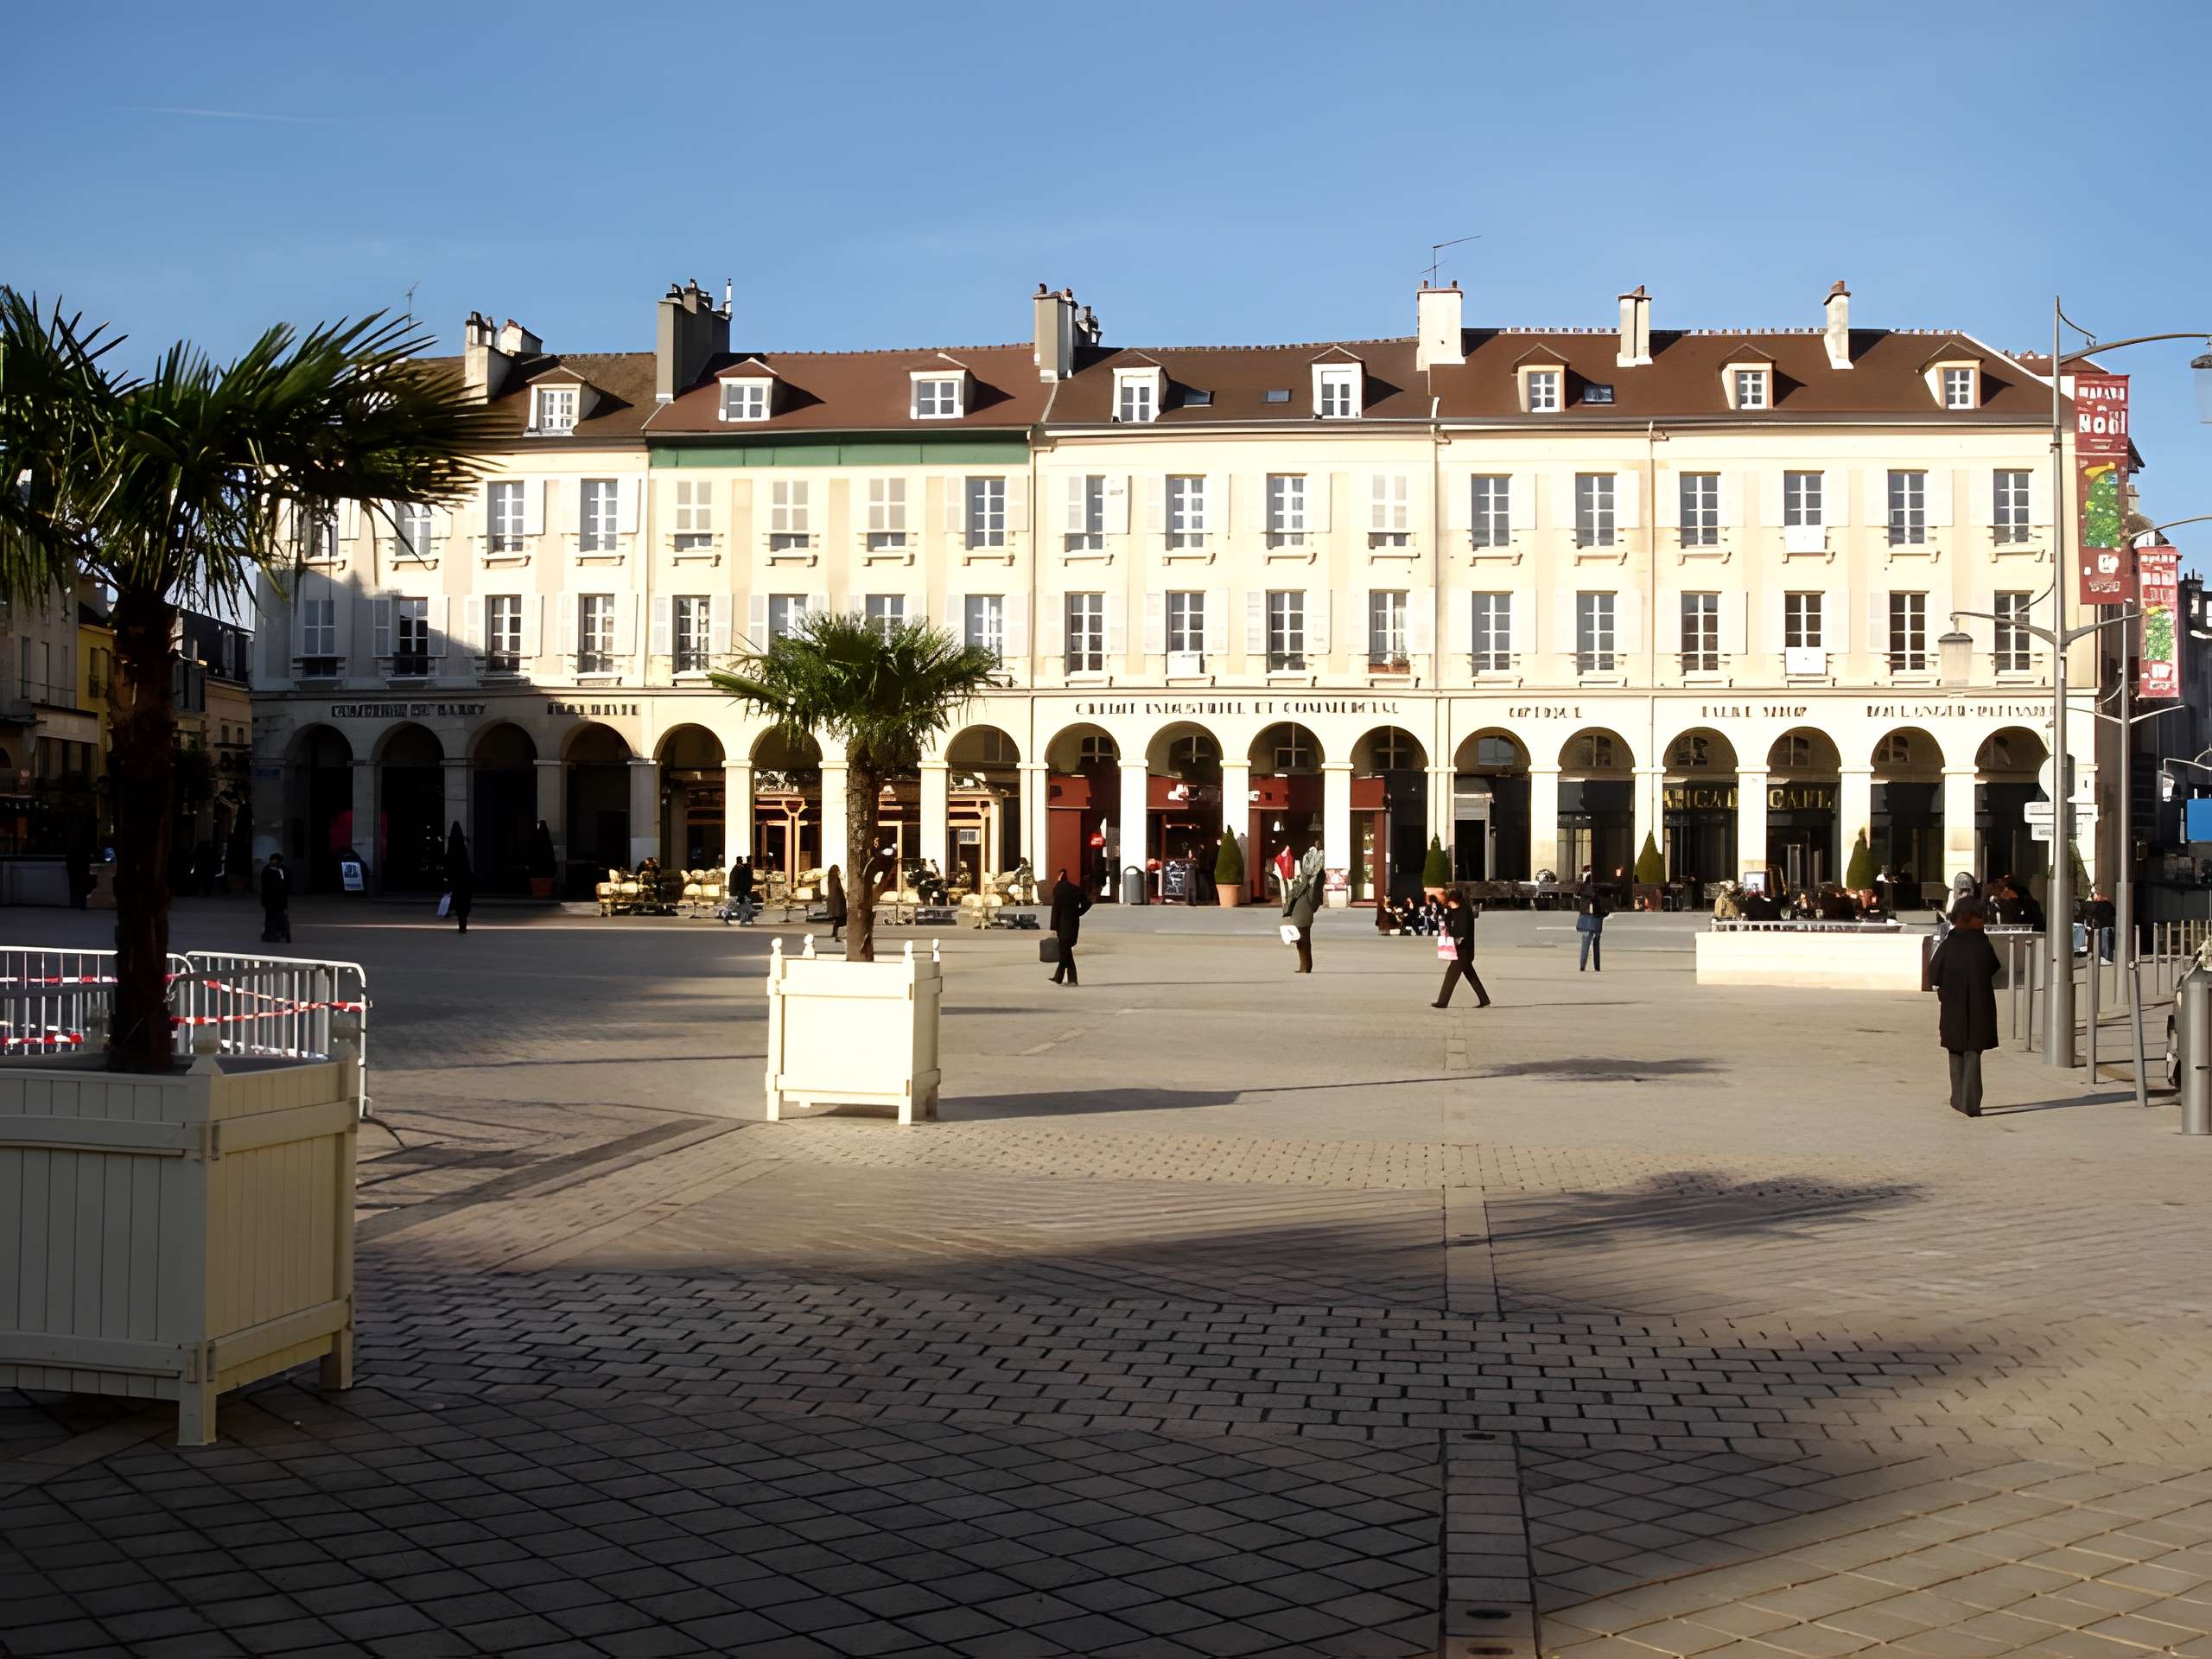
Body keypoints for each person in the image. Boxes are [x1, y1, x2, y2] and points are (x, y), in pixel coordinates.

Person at [1931, 901, 2001, 1118]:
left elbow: (1933, 972)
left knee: (1956, 1050)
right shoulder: (1983, 944)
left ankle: (1958, 1097)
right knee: (1973, 1052)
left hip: (1953, 1004)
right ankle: (1971, 1101)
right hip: (1979, 1004)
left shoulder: (1950, 943)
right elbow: (1994, 967)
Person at [1432, 889, 1491, 1010]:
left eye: (1451, 903)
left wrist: (1453, 935)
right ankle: (1484, 1000)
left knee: (1451, 974)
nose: (1449, 905)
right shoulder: (1455, 911)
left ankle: (1442, 1002)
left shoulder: (1465, 911)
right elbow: (1448, 922)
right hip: (1460, 949)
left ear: (1456, 901)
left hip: (1463, 950)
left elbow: (1462, 931)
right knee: (1471, 975)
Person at [1281, 847, 1323, 974]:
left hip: (1304, 916)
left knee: (1303, 942)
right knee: (1301, 942)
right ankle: (1304, 966)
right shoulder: (1303, 885)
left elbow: (1314, 898)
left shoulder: (1311, 884)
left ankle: (1306, 966)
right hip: (1300, 914)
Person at [1048, 867, 1091, 986]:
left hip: (1062, 924)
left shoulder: (1059, 889)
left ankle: (1072, 980)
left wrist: (1053, 928)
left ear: (1060, 876)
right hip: (1073, 923)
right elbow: (1087, 903)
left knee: (1065, 952)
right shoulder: (1076, 889)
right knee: (1066, 951)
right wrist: (1078, 912)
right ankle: (1058, 977)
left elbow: (1055, 909)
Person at [1574, 867, 1607, 972]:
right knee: (1596, 943)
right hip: (1596, 917)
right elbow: (1603, 905)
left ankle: (1582, 965)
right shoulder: (1599, 889)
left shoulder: (1583, 888)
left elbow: (1576, 892)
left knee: (1585, 942)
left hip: (1585, 915)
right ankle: (1597, 966)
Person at [445, 823, 473, 934]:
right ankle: (463, 924)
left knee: (457, 900)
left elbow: (448, 863)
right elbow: (466, 865)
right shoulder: (463, 848)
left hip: (455, 879)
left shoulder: (451, 846)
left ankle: (459, 920)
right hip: (464, 880)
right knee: (464, 902)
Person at [260, 853, 291, 944]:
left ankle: (274, 934)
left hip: (275, 899)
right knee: (275, 917)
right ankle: (275, 933)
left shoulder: (276, 869)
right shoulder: (279, 869)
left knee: (274, 917)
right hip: (274, 899)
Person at [2085, 887, 2116, 963]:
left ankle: (2105, 958)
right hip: (2110, 926)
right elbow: (2114, 912)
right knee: (2109, 943)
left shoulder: (2097, 905)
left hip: (2102, 926)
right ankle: (2109, 957)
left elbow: (2092, 914)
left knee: (2104, 943)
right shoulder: (2108, 904)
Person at [725, 855, 755, 925]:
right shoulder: (743, 869)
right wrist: (742, 892)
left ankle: (728, 917)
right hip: (739, 892)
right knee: (744, 906)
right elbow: (742, 881)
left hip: (736, 891)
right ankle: (743, 920)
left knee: (735, 905)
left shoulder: (737, 869)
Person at [824, 864, 847, 942]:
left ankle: (835, 933)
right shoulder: (836, 879)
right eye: (837, 870)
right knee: (840, 919)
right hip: (838, 902)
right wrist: (846, 893)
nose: (838, 872)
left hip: (833, 901)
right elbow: (839, 888)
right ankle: (837, 935)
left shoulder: (830, 879)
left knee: (837, 919)